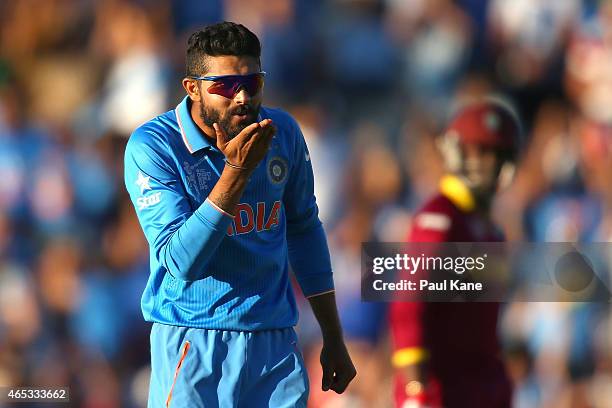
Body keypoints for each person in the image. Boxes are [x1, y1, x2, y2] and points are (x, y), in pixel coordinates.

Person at [123, 22, 356, 407]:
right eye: (226, 86)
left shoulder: (283, 132)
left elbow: (304, 231)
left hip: (275, 342)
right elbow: (182, 261)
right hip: (193, 340)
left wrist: (333, 336)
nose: (243, 97)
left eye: (253, 82)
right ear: (192, 88)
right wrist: (237, 173)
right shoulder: (154, 146)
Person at [389, 100, 520, 407]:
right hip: (442, 391)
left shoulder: (491, 232)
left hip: (480, 389)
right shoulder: (438, 218)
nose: (487, 164)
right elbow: (409, 306)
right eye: (480, 152)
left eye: (495, 154)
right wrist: (415, 389)